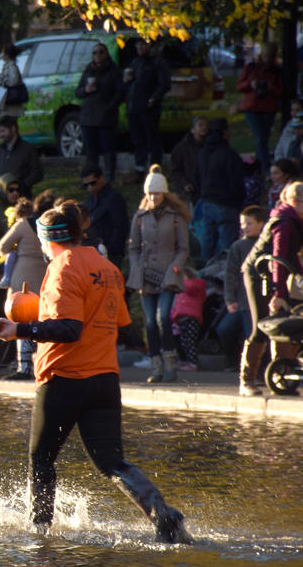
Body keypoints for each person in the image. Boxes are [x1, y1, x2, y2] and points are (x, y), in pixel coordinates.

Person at [0, 200, 192, 544]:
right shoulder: (107, 267)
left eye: (40, 239)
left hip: (63, 377)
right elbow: (124, 327)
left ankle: (39, 532)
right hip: (104, 380)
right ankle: (163, 514)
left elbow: (69, 329)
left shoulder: (61, 268)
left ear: (49, 239)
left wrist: (18, 330)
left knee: (41, 458)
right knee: (112, 462)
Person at [240, 182, 303, 396]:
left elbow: (291, 255)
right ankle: (247, 380)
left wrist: (302, 276)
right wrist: (279, 293)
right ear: (294, 202)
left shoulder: (297, 220)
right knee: (261, 325)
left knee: (283, 323)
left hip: (275, 270)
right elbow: (278, 258)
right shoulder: (284, 222)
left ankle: (281, 376)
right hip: (258, 274)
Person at [127, 166, 190, 383]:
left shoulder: (176, 217)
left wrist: (175, 268)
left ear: (164, 193)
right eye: (150, 193)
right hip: (145, 276)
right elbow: (133, 247)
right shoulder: (139, 216)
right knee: (150, 323)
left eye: (157, 193)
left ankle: (170, 363)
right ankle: (156, 366)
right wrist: (136, 267)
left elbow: (183, 248)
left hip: (168, 276)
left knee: (163, 317)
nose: (153, 197)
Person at [0, 191, 54, 380]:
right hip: (47, 274)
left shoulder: (24, 224)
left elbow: (2, 247)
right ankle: (44, 362)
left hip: (24, 275)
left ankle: (24, 367)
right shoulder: (55, 226)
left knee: (20, 317)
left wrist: (16, 249)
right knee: (43, 320)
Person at [215, 206, 265, 370]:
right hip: (241, 301)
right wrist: (230, 299)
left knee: (251, 333)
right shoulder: (238, 246)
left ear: (260, 223)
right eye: (242, 224)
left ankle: (254, 368)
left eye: (249, 223)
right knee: (224, 329)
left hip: (258, 300)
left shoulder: (266, 245)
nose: (244, 227)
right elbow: (230, 274)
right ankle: (232, 359)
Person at [194, 118, 246, 261]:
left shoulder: (202, 153)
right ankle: (223, 276)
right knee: (226, 248)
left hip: (207, 202)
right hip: (226, 204)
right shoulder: (229, 155)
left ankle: (205, 275)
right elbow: (237, 182)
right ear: (224, 133)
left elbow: (197, 177)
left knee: (207, 243)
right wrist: (238, 201)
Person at [75, 43, 123, 182]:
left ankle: (109, 177)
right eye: (94, 53)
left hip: (106, 117)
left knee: (108, 148)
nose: (97, 55)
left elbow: (120, 92)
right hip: (88, 116)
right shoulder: (88, 69)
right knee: (91, 151)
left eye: (100, 52)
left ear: (106, 53)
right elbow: (78, 91)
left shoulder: (113, 70)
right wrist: (86, 90)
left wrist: (110, 107)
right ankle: (91, 179)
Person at [125, 39, 171, 181]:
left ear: (150, 45)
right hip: (134, 107)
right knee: (137, 139)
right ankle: (139, 169)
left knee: (152, 139)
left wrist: (153, 98)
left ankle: (154, 170)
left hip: (149, 108)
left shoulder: (157, 62)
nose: (139, 47)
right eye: (137, 44)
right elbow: (131, 84)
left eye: (143, 44)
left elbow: (164, 84)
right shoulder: (135, 62)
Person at [236, 42, 283, 173]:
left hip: (268, 108)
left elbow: (281, 92)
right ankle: (265, 168)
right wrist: (251, 84)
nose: (267, 59)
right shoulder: (251, 68)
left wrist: (270, 87)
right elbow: (239, 86)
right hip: (252, 107)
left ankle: (258, 166)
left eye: (270, 56)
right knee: (260, 137)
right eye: (266, 55)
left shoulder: (277, 71)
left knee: (263, 138)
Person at [81, 166, 129, 268]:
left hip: (110, 252)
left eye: (93, 183)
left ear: (101, 178)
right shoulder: (91, 198)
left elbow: (120, 227)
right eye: (86, 185)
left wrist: (112, 249)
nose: (90, 187)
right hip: (95, 249)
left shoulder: (114, 198)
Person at [0, 116, 41, 197]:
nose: (0, 135)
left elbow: (37, 172)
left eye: (3, 131)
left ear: (13, 129)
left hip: (21, 196)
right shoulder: (1, 149)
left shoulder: (28, 149)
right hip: (4, 197)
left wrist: (22, 186)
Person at [168, 117, 208, 203]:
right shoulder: (181, 148)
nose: (204, 128)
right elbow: (175, 170)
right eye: (200, 125)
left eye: (205, 125)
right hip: (191, 190)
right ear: (192, 130)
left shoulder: (211, 146)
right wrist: (185, 183)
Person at [0, 44, 26, 119]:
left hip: (10, 101)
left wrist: (2, 78)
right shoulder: (7, 65)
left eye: (3, 53)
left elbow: (13, 81)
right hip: (7, 101)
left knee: (9, 122)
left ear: (7, 55)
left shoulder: (12, 66)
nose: (2, 55)